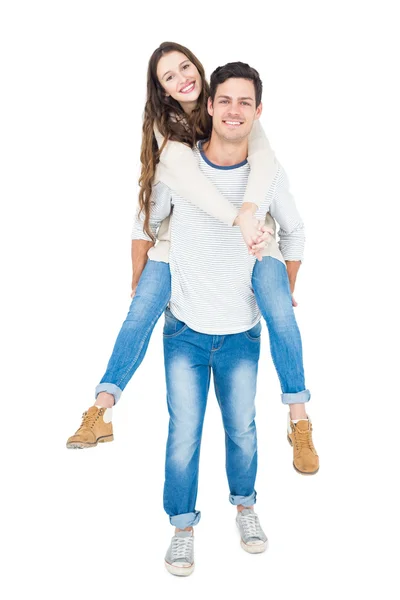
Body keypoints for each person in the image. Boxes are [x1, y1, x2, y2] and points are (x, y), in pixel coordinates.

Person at [66, 42, 318, 481]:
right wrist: (138, 277)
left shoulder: (230, 105)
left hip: (256, 241)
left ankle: (299, 419)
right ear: (162, 91)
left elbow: (265, 165)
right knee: (139, 313)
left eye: (186, 65)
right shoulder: (172, 139)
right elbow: (153, 215)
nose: (182, 77)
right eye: (169, 76)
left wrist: (271, 260)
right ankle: (101, 409)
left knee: (280, 312)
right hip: (173, 244)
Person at [132, 60, 312, 575]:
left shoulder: (267, 173)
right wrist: (144, 283)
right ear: (209, 105)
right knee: (184, 434)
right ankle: (182, 527)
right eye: (225, 100)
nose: (235, 110)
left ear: (259, 112)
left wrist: (279, 292)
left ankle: (246, 507)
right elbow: (148, 221)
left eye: (245, 102)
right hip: (185, 331)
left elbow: (296, 234)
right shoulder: (181, 167)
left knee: (243, 431)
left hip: (240, 334)